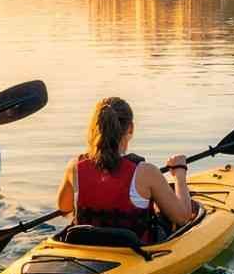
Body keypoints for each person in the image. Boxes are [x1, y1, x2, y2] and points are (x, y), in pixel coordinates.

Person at [55, 97, 194, 243]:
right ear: (130, 128)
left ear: (95, 128)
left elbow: (64, 208)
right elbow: (183, 218)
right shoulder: (146, 173)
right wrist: (179, 172)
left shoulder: (75, 167)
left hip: (85, 247)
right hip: (134, 254)